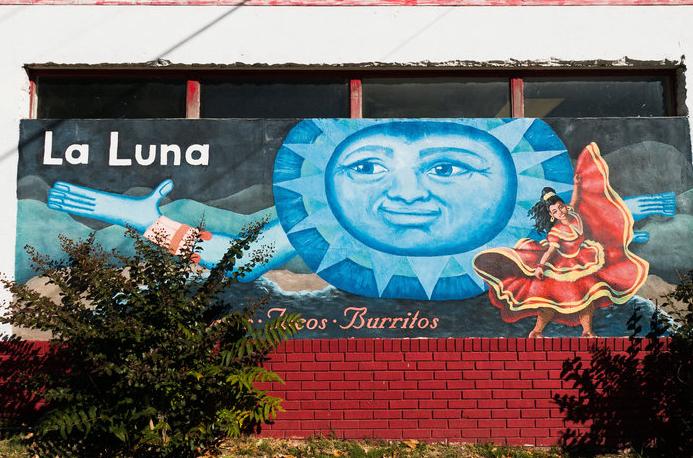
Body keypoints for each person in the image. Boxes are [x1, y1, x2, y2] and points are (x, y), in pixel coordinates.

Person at [473, 143, 649, 338]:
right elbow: (550, 251)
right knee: (550, 302)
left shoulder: (572, 213)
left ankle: (587, 331)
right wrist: (541, 267)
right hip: (561, 265)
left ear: (564, 205)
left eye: (560, 207)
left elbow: (575, 201)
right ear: (552, 215)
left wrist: (578, 184)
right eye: (555, 211)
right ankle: (537, 331)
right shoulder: (557, 231)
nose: (560, 212)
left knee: (588, 298)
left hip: (583, 257)